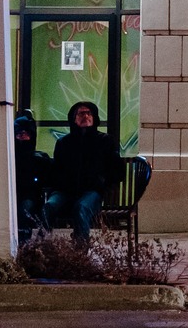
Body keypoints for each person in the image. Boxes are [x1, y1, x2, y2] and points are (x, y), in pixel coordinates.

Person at [48, 101, 121, 246]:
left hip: (92, 191)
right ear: (74, 118)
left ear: (94, 117)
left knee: (81, 207)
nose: (85, 116)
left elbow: (117, 170)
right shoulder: (64, 143)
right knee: (48, 207)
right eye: (81, 113)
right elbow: (56, 171)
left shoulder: (105, 141)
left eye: (89, 113)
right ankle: (43, 248)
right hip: (65, 191)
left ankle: (80, 253)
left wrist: (102, 184)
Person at [13, 111, 54, 231]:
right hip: (13, 195)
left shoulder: (40, 158)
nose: (22, 137)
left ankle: (23, 239)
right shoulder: (9, 157)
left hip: (30, 196)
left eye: (25, 134)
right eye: (19, 134)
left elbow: (48, 181)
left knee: (24, 210)